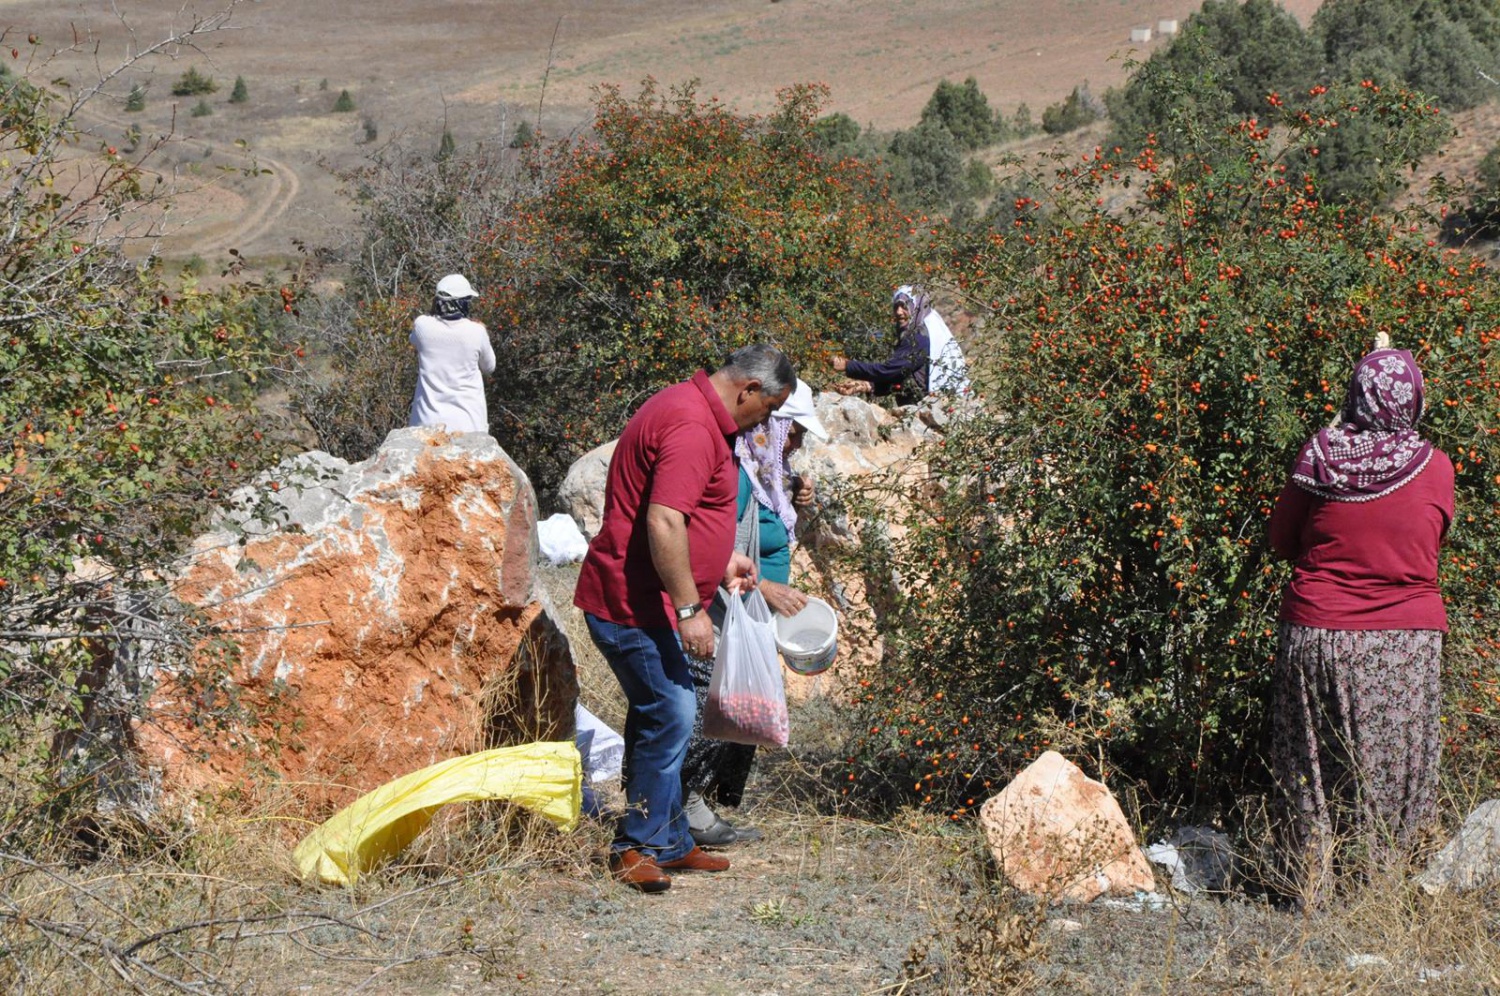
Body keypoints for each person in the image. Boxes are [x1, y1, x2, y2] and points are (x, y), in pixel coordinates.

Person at [574, 344, 795, 893]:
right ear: (748, 390)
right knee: (671, 711)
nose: (765, 422)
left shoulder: (692, 411)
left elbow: (686, 517)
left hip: (647, 600)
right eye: (768, 409)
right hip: (633, 603)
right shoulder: (693, 425)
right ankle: (636, 846)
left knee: (662, 712)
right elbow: (665, 522)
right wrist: (690, 607)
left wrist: (719, 561)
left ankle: (669, 840)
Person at [1267, 347, 1453, 904]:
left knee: (1312, 764)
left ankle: (1310, 886)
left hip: (1318, 632)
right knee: (1391, 770)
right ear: (1413, 400)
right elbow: (1430, 544)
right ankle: (1380, 892)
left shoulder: (1321, 456)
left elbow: (1281, 541)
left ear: (1356, 396)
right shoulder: (1436, 466)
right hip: (1404, 642)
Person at [681, 379, 829, 847]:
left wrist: (796, 493)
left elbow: (769, 531)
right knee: (713, 707)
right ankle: (686, 807)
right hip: (725, 608)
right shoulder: (741, 475)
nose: (798, 443)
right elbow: (716, 545)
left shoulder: (768, 473)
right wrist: (764, 587)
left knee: (736, 708)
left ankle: (702, 804)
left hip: (748, 609)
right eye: (795, 433)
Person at [831, 285, 969, 404]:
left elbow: (890, 370)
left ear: (916, 308)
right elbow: (901, 375)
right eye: (896, 306)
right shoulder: (920, 332)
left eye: (904, 306)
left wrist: (848, 365)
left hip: (925, 413)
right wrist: (866, 386)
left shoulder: (919, 337)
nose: (898, 312)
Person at [408, 273, 496, 433]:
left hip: (426, 424)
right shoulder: (477, 332)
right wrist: (482, 330)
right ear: (463, 303)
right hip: (469, 424)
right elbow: (489, 367)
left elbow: (413, 339)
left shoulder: (422, 326)